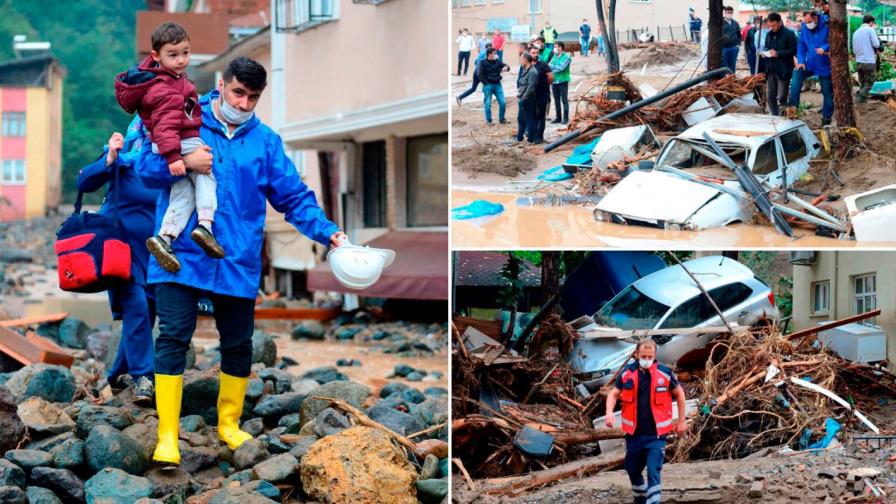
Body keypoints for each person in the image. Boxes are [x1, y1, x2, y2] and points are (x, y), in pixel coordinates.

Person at [135, 56, 349, 466]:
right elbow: (144, 167)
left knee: (238, 345)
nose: (245, 103)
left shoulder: (266, 141)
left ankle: (228, 424)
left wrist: (330, 233)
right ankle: (167, 434)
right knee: (172, 337)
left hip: (237, 258)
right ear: (222, 84)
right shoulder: (187, 118)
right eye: (238, 93)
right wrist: (183, 162)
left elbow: (293, 197)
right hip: (180, 254)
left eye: (253, 97)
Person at [115, 22, 224, 274]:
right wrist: (175, 158)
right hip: (181, 143)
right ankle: (206, 225)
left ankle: (165, 237)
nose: (181, 60)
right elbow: (164, 127)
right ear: (156, 56)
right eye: (173, 55)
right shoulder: (165, 89)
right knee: (206, 175)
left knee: (183, 193)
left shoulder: (171, 81)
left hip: (174, 144)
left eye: (185, 53)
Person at [76, 118, 159, 404]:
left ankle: (117, 373)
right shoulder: (122, 160)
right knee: (136, 306)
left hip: (154, 253)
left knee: (148, 312)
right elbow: (84, 180)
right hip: (119, 251)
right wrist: (110, 156)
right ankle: (143, 377)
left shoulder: (165, 164)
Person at [605, 339, 688, 504]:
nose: (647, 359)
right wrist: (609, 413)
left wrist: (681, 421)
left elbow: (680, 395)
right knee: (632, 470)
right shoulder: (627, 373)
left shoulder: (665, 373)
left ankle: (653, 502)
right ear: (636, 354)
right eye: (644, 356)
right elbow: (613, 393)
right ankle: (641, 499)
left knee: (653, 471)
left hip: (656, 436)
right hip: (634, 435)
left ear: (655, 355)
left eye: (650, 356)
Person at [788, 10, 833, 125]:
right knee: (796, 72)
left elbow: (834, 41)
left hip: (825, 64)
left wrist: (825, 47)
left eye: (809, 22)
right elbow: (802, 45)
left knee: (827, 92)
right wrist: (801, 61)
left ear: (816, 18)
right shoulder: (804, 27)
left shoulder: (827, 24)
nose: (808, 24)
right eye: (805, 22)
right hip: (810, 62)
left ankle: (826, 119)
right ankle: (793, 109)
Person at [762, 12, 797, 116]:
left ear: (780, 22)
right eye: (770, 25)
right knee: (770, 96)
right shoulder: (769, 34)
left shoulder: (789, 34)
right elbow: (766, 47)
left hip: (784, 69)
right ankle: (775, 115)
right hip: (771, 68)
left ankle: (783, 116)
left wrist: (778, 53)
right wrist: (765, 53)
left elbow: (794, 50)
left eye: (774, 25)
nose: (772, 28)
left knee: (782, 96)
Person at [529, 44, 554, 144]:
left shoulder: (543, 65)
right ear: (529, 54)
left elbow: (551, 77)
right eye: (533, 53)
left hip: (542, 94)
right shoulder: (527, 65)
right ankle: (533, 134)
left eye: (537, 53)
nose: (535, 55)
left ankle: (539, 136)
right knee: (532, 115)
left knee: (540, 116)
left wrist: (544, 86)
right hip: (530, 95)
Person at [478, 47, 510, 124]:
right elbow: (480, 75)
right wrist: (486, 84)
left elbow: (506, 65)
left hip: (497, 84)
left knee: (503, 102)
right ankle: (489, 120)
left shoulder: (497, 61)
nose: (496, 55)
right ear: (489, 55)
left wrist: (506, 67)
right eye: (494, 53)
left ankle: (501, 119)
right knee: (488, 103)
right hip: (488, 85)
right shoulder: (482, 63)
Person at [853, 15, 880, 103]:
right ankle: (859, 96)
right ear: (871, 22)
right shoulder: (870, 30)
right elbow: (876, 44)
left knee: (862, 82)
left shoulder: (856, 32)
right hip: (868, 61)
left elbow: (854, 49)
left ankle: (862, 103)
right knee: (870, 82)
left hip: (858, 61)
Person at [516, 52, 539, 144]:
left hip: (528, 99)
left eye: (521, 59)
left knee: (529, 120)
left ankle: (530, 140)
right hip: (523, 98)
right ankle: (519, 138)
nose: (520, 61)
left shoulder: (533, 72)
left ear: (526, 60)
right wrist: (519, 94)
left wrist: (524, 98)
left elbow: (531, 87)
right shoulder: (525, 69)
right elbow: (522, 84)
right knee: (520, 119)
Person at [549, 42, 572, 124]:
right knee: (556, 100)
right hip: (554, 82)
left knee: (564, 100)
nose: (555, 49)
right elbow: (549, 66)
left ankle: (565, 118)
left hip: (563, 81)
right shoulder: (554, 56)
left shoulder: (567, 57)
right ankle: (558, 117)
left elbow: (561, 68)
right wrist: (554, 67)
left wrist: (553, 67)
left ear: (560, 48)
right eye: (554, 47)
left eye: (556, 47)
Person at [721, 6, 741, 73]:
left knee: (732, 65)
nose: (729, 14)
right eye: (728, 12)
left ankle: (732, 79)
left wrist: (738, 44)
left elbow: (739, 35)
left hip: (734, 48)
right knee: (724, 66)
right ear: (725, 13)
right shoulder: (721, 23)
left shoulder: (735, 23)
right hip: (724, 48)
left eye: (731, 12)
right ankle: (725, 80)